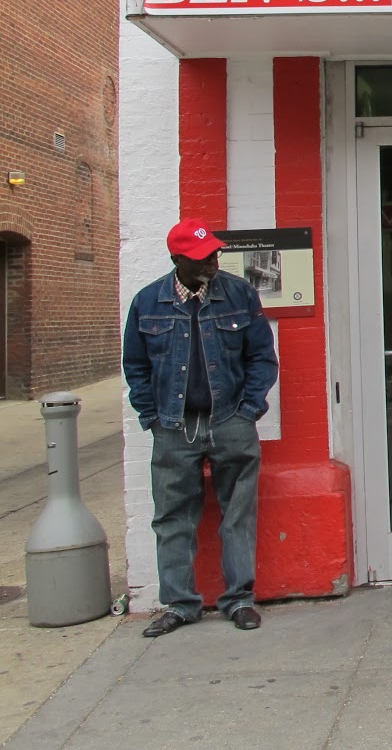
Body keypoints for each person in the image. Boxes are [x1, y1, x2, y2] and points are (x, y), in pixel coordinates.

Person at [123, 219, 279, 637]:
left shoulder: (239, 294)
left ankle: (240, 600)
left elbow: (262, 357)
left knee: (238, 514)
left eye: (213, 252)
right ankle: (179, 604)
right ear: (177, 260)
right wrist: (152, 417)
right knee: (172, 517)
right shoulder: (147, 302)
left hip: (230, 420)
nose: (212, 259)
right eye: (201, 256)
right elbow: (135, 366)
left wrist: (248, 410)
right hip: (174, 427)